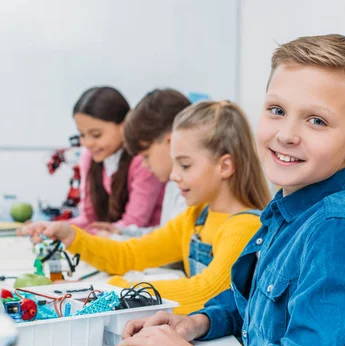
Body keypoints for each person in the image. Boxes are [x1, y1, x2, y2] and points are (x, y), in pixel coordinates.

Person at [112, 34, 345, 346]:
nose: (287, 135)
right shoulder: (286, 212)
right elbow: (261, 306)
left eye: (317, 121)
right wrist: (199, 322)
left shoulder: (335, 231)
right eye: (277, 110)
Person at [19, 100, 271, 315]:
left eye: (184, 165)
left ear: (225, 167)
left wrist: (120, 291)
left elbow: (206, 292)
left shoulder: (244, 226)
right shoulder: (196, 218)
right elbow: (132, 253)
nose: (173, 176)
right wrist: (70, 235)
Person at [87, 88, 190, 238]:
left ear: (171, 141)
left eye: (146, 156)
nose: (144, 165)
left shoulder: (192, 191)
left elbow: (170, 249)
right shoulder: (173, 185)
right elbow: (164, 235)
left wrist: (114, 241)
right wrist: (122, 232)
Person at [68, 86, 165, 233]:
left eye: (96, 135)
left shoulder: (143, 160)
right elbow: (88, 218)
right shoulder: (89, 156)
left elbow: (134, 223)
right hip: (114, 242)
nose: (87, 143)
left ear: (123, 126)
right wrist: (54, 228)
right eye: (82, 134)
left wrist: (83, 237)